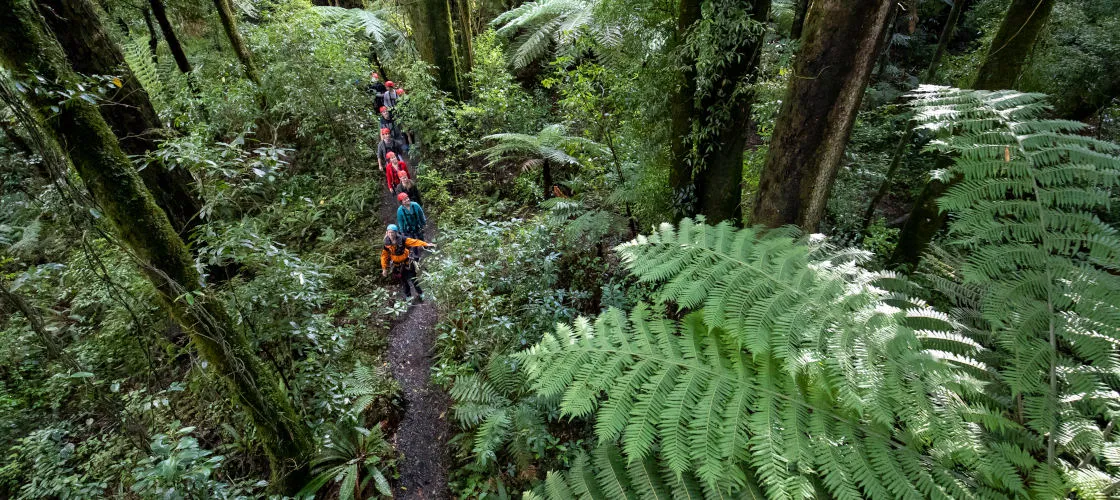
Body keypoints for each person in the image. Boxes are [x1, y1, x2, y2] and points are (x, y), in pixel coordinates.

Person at [381, 224, 434, 301]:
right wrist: (384, 268)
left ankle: (420, 293)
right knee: (404, 282)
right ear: (386, 233)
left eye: (392, 232)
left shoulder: (402, 239)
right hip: (397, 266)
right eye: (389, 232)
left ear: (396, 233)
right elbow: (384, 256)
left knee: (413, 279)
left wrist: (426, 244)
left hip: (407, 263)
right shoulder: (387, 244)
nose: (391, 234)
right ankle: (408, 296)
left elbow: (414, 242)